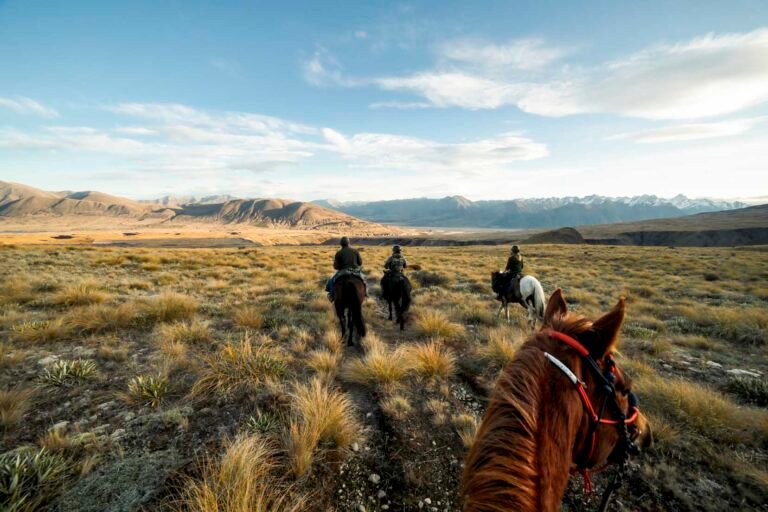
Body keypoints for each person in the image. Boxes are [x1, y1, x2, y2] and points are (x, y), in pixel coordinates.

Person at [326, 236, 366, 301]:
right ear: (349, 243)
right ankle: (365, 294)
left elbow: (336, 267)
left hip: (343, 271)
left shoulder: (338, 253)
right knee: (364, 280)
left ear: (341, 244)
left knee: (331, 281)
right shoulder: (355, 251)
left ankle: (331, 295)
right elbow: (360, 263)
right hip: (355, 271)